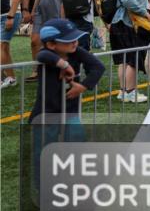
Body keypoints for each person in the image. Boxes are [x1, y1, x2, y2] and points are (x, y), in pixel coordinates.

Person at [29, 18, 105, 191]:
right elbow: (42, 54)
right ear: (51, 44)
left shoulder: (76, 51)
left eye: (76, 38)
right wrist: (63, 64)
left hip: (70, 113)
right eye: (69, 40)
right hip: (46, 114)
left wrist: (83, 86)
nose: (75, 43)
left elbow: (98, 67)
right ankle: (45, 192)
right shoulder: (46, 55)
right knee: (44, 155)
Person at [110, 0, 150, 103]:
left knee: (124, 59)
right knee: (133, 58)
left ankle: (124, 91)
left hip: (120, 23)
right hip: (127, 24)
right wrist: (145, 12)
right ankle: (130, 92)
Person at [2, 0, 26, 87]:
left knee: (2, 46)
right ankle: (10, 77)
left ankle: (7, 77)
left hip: (9, 15)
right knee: (3, 48)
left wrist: (10, 17)